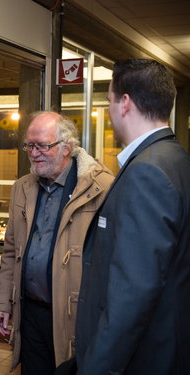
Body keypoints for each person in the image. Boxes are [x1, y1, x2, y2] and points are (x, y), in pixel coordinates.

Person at [71, 59, 190, 374]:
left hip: (142, 357)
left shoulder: (147, 172)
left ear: (124, 103)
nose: (109, 110)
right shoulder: (176, 159)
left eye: (109, 101)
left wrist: (95, 367)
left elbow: (133, 293)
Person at [0, 111, 114, 374]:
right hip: (30, 313)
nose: (33, 153)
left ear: (66, 147)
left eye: (42, 146)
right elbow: (11, 251)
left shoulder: (101, 188)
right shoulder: (22, 187)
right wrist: (3, 302)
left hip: (72, 318)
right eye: (29, 145)